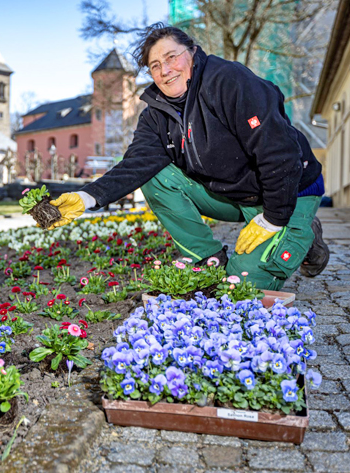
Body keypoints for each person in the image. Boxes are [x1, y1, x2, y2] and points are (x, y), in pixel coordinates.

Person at [50, 23, 329, 290]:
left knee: (240, 285)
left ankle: (302, 230)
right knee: (154, 175)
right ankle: (207, 258)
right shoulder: (156, 114)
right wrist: (86, 197)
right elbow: (136, 163)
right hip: (232, 195)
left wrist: (274, 218)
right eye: (155, 66)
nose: (165, 70)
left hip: (288, 190)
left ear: (193, 52)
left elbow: (278, 150)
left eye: (171, 57)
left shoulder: (229, 81)